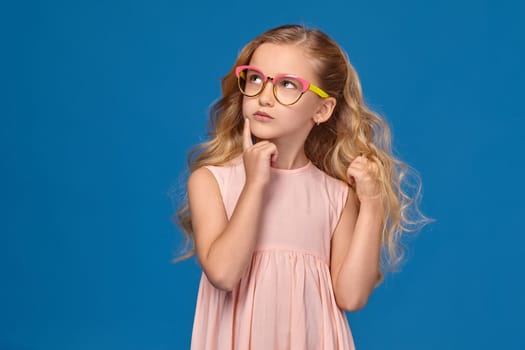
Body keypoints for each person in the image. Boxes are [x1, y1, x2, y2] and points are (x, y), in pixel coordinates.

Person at [175, 24, 430, 350]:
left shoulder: (336, 196)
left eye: (286, 85)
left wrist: (372, 202)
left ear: (322, 109)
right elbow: (224, 274)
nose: (264, 96)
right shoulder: (211, 181)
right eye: (255, 78)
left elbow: (351, 297)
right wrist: (255, 185)